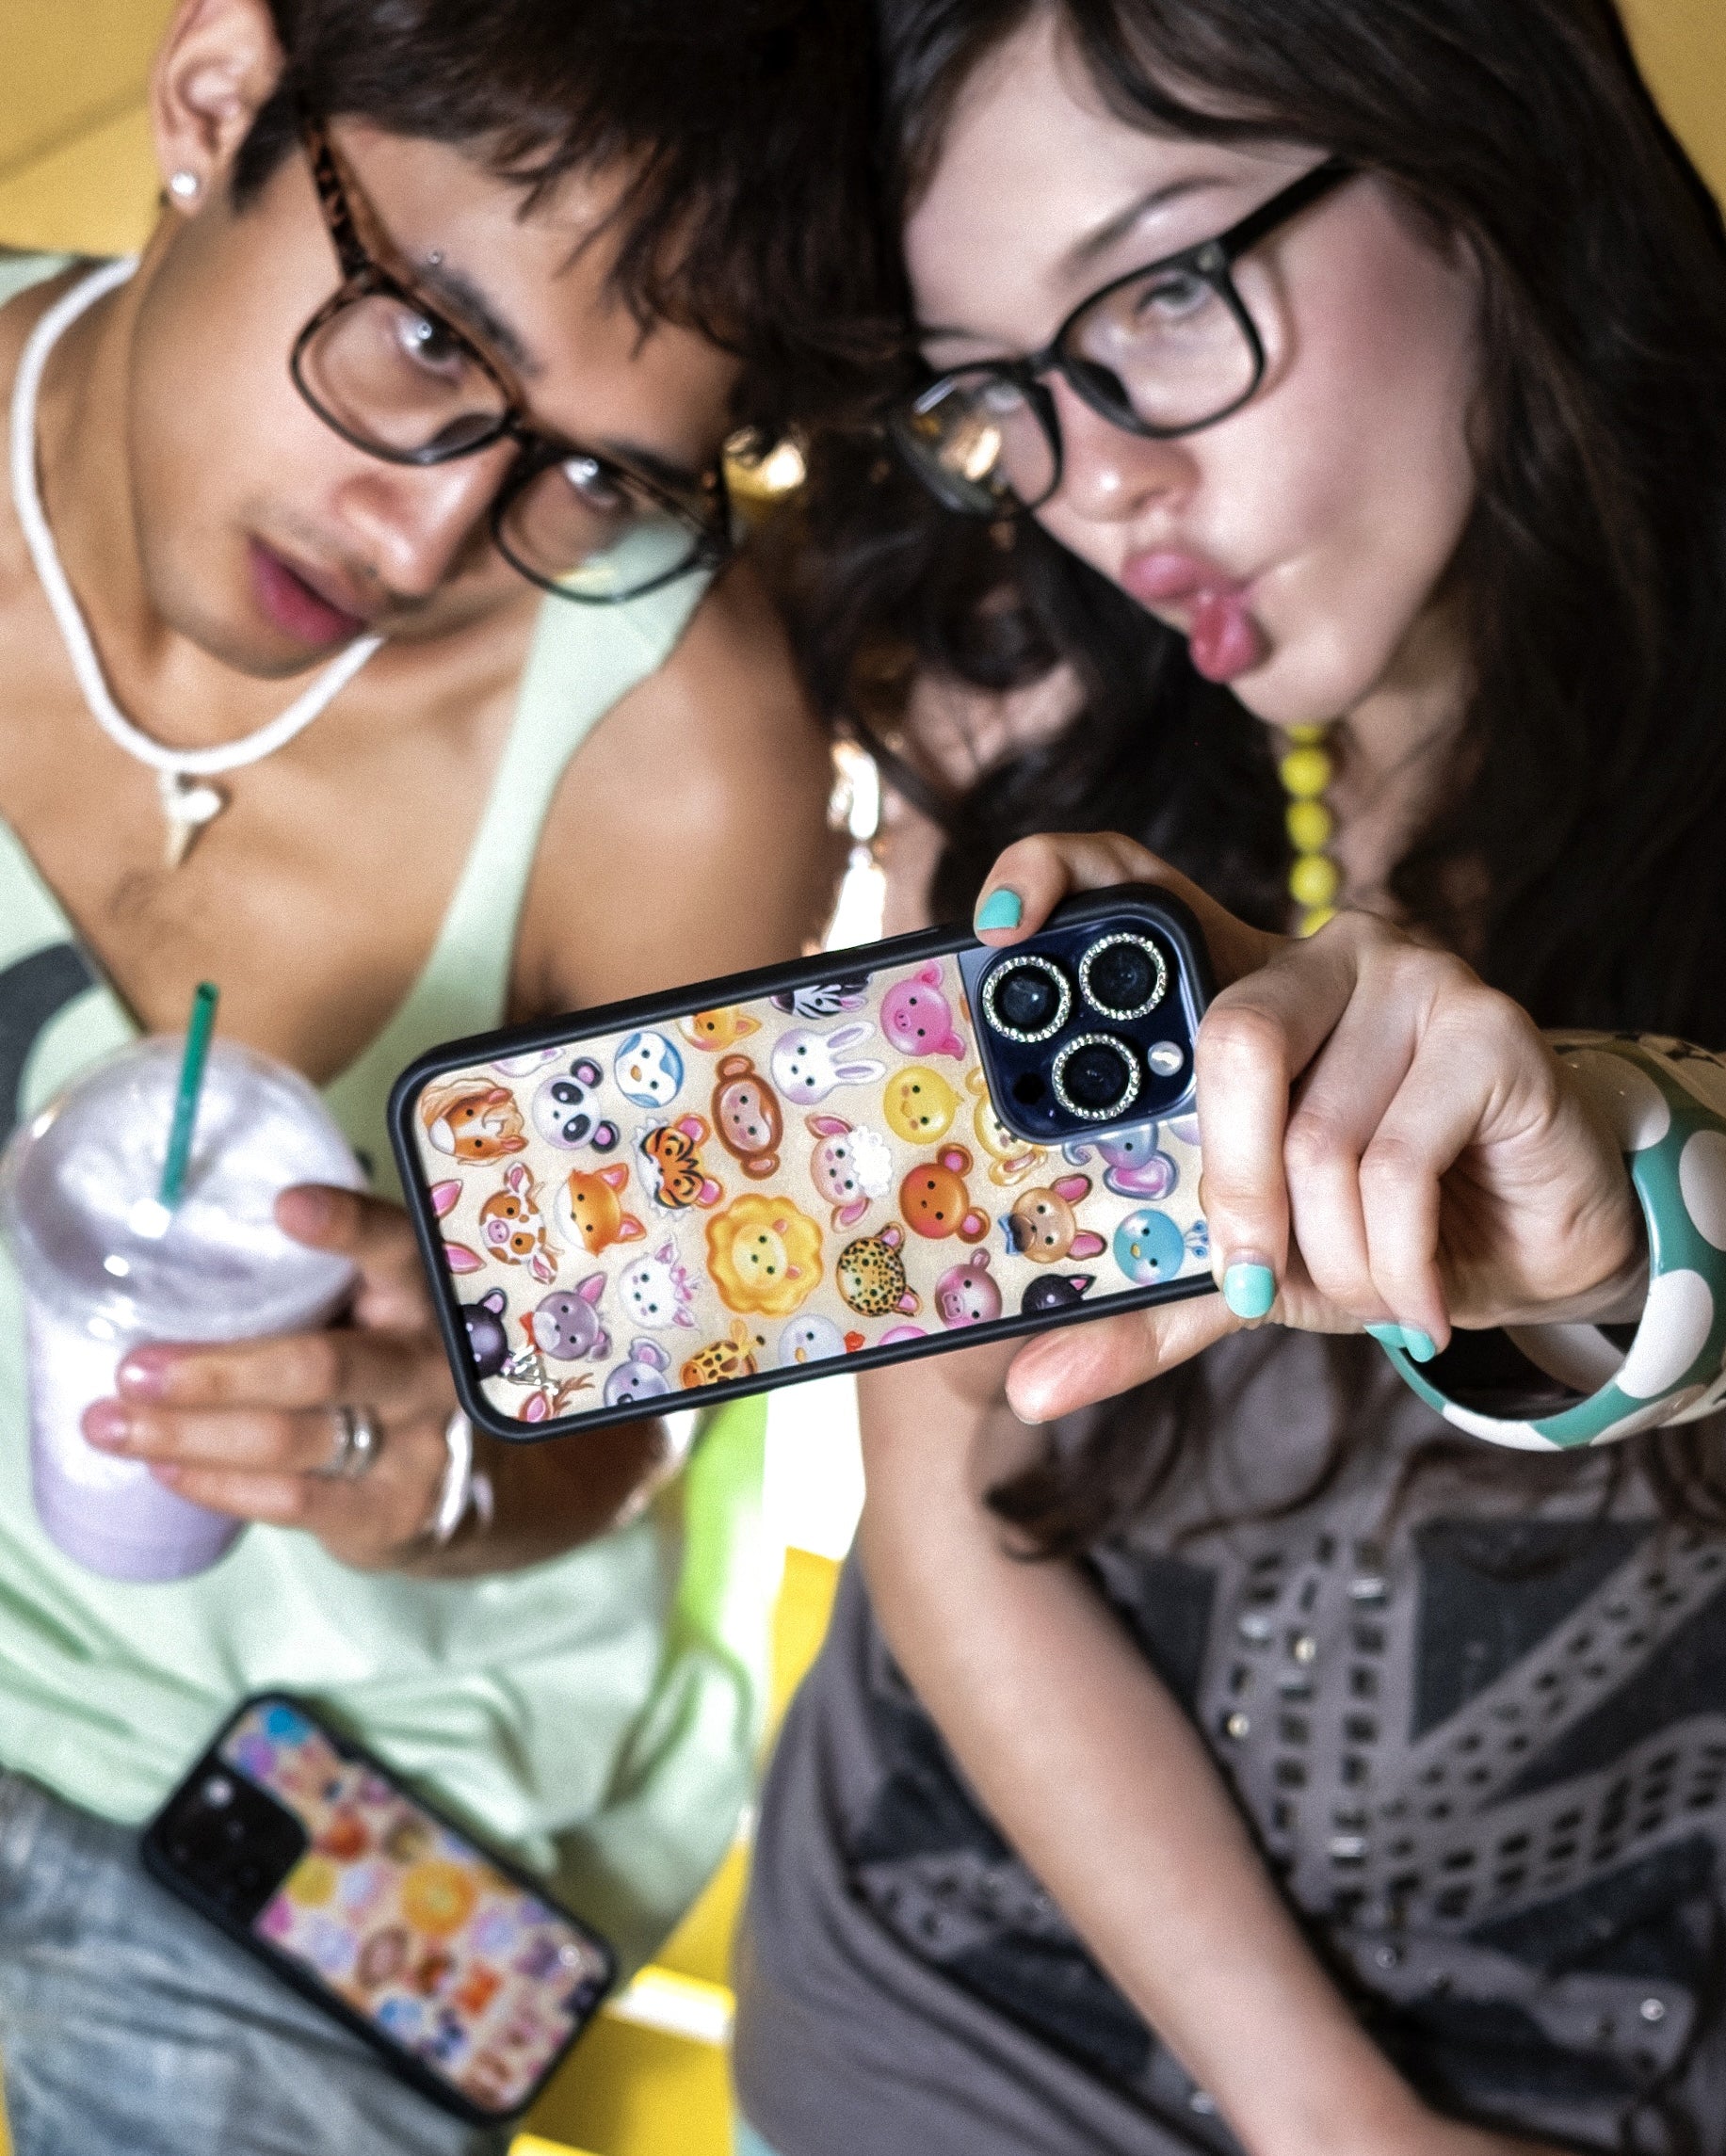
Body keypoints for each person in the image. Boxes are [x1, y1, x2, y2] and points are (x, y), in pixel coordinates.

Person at [733, 2, 1726, 2152]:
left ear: (1477, 147)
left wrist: (1630, 1198)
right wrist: (1327, 2119)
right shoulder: (1018, 718)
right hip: (945, 2015)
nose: (1095, 484)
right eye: (997, 391)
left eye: (1162, 293)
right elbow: (954, 1517)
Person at [0, 0, 880, 2149]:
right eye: (424, 343)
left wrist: (452, 1451)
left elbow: (637, 1425)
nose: (421, 541)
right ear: (216, 98)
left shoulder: (688, 747)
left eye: (594, 473)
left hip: (326, 1832)